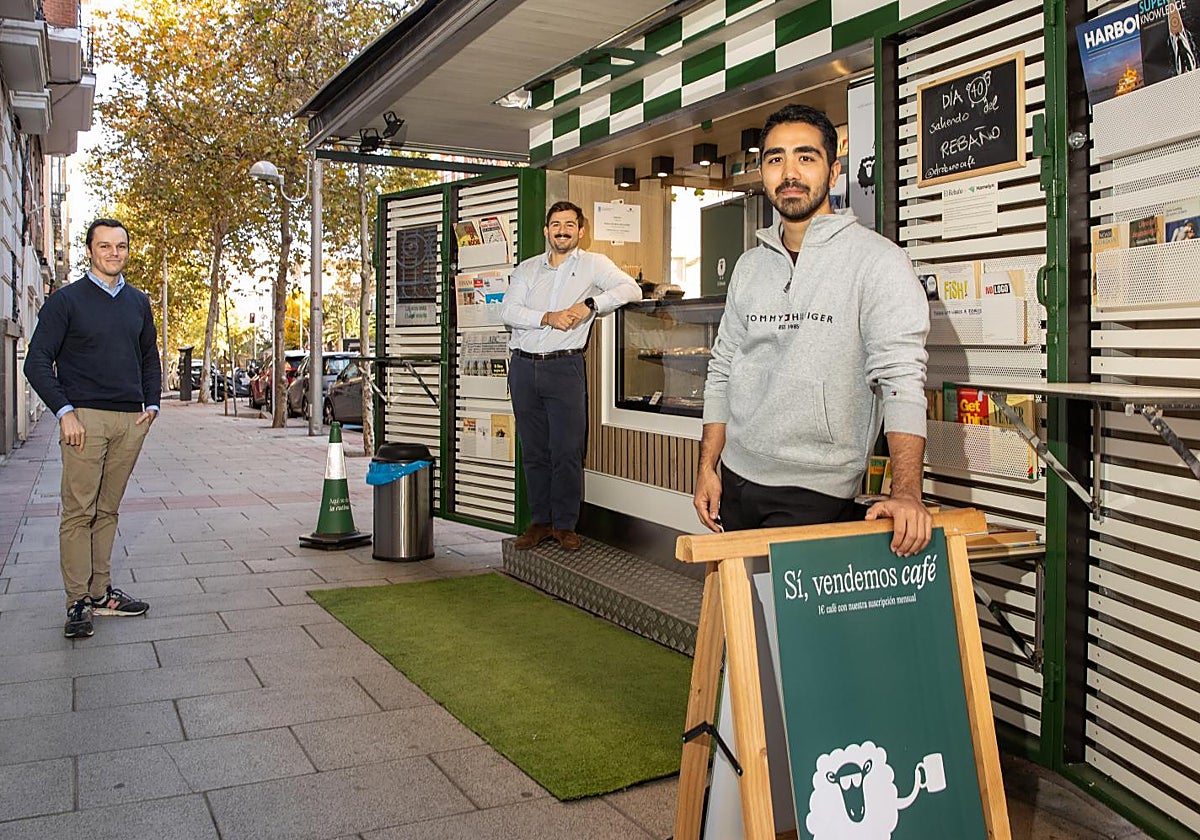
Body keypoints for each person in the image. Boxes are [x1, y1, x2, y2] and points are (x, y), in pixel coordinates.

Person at [693, 104, 932, 557]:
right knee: (742, 621)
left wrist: (907, 493)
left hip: (817, 489)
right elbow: (722, 369)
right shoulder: (749, 266)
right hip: (738, 478)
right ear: (762, 171)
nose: (789, 172)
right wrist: (708, 466)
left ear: (834, 170)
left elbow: (901, 379)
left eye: (806, 157)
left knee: (794, 628)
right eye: (775, 159)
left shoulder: (878, 260)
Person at [24, 219, 159, 639]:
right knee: (79, 512)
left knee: (108, 510)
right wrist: (65, 412)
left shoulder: (138, 302)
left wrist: (151, 406)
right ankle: (77, 602)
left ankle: (101, 594)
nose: (114, 253)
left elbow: (149, 357)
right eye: (105, 246)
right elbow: (36, 362)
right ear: (90, 251)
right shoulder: (66, 302)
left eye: (121, 246)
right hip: (83, 419)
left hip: (129, 421)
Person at [501, 201, 641, 550]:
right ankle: (540, 522)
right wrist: (549, 316)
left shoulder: (594, 264)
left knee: (566, 449)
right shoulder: (527, 269)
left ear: (581, 231)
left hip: (565, 367)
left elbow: (631, 290)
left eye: (569, 225)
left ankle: (565, 525)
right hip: (523, 366)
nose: (561, 230)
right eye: (555, 224)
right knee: (534, 450)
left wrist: (590, 305)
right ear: (546, 231)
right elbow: (509, 311)